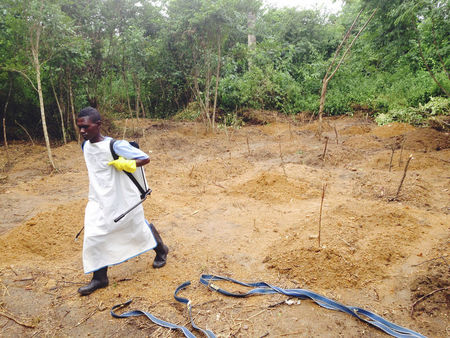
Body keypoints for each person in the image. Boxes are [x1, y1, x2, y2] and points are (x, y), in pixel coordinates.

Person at [76, 106, 168, 296]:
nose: (82, 131)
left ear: (98, 125)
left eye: (86, 127)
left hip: (121, 197)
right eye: (80, 127)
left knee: (135, 228)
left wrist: (126, 163)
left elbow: (145, 158)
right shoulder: (85, 146)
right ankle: (100, 278)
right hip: (98, 199)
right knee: (93, 235)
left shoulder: (115, 146)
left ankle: (161, 249)